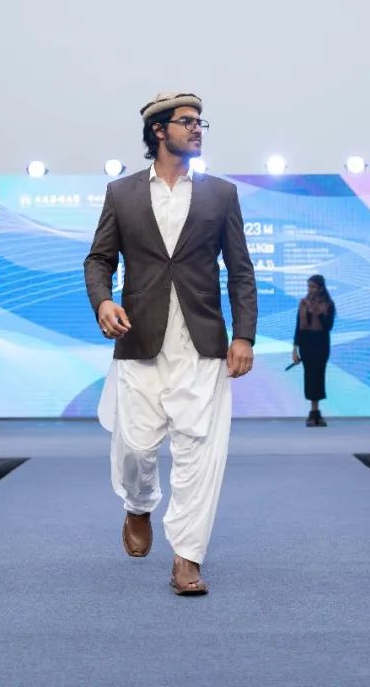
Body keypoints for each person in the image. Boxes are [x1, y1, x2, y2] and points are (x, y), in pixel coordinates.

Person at [84, 91, 257, 596]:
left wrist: (244, 335)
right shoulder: (122, 194)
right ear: (159, 131)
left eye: (201, 122)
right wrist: (103, 302)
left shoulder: (221, 194)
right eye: (187, 121)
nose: (197, 128)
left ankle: (187, 558)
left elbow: (241, 271)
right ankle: (138, 505)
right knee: (136, 448)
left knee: (200, 453)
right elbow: (99, 260)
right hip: (139, 340)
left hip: (203, 344)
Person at [291, 274, 336, 427]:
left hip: (321, 343)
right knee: (309, 376)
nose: (310, 290)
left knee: (319, 376)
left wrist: (317, 311)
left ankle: (316, 412)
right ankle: (313, 411)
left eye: (313, 287)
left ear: (321, 288)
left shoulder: (328, 304)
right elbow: (298, 327)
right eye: (309, 287)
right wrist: (295, 349)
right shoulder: (303, 303)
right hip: (306, 343)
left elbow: (328, 326)